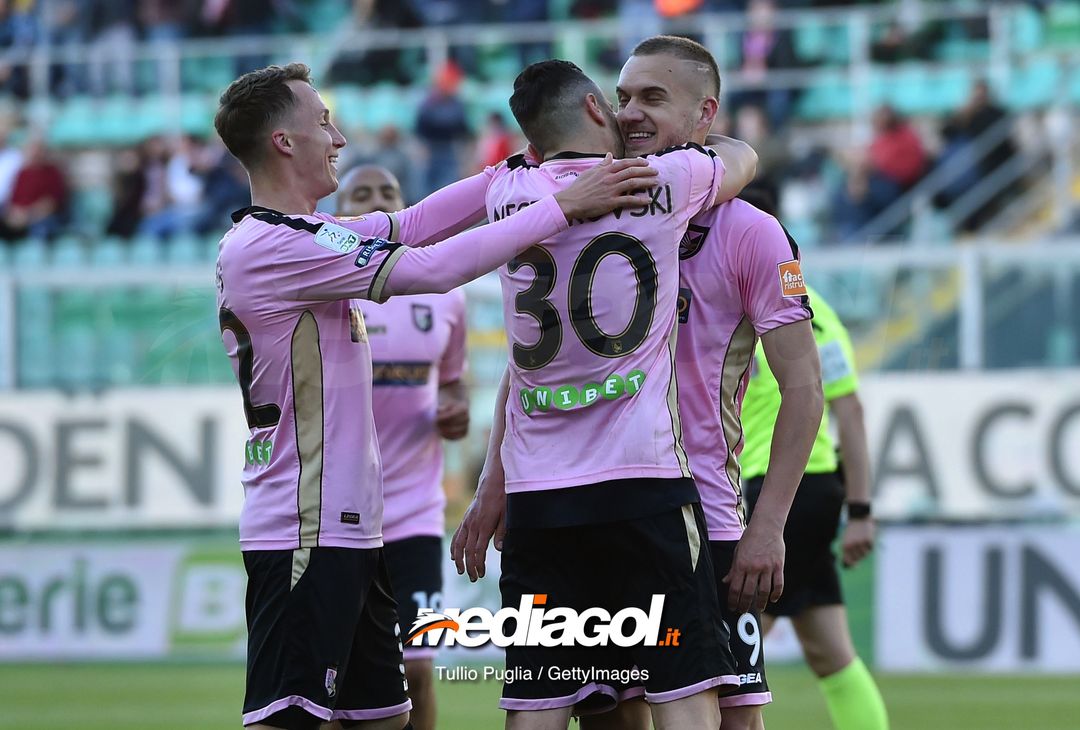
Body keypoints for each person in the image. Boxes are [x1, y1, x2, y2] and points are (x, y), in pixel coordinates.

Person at [213, 62, 657, 730]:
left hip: (354, 525)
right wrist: (560, 204)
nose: (338, 136)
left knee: (386, 717)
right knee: (291, 719)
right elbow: (431, 266)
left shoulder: (303, 232)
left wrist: (519, 171)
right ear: (284, 142)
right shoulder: (268, 245)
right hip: (304, 527)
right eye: (323, 122)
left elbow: (412, 225)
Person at [452, 36, 824, 730]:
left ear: (705, 112)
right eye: (622, 96)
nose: (630, 113)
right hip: (590, 502)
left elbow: (804, 388)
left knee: (734, 718)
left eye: (653, 97)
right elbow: (528, 365)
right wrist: (492, 486)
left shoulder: (752, 233)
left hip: (704, 516)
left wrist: (768, 524)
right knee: (605, 717)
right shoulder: (581, 204)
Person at [336, 164, 470, 730]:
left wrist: (456, 413)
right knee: (337, 674)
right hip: (338, 514)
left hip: (416, 513)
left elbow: (455, 380)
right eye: (360, 195)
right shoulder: (329, 291)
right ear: (340, 215)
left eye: (387, 193)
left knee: (417, 666)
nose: (375, 202)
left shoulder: (443, 296)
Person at [741, 285, 889, 730]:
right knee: (832, 652)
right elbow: (851, 411)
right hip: (820, 488)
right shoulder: (816, 310)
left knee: (729, 652)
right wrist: (860, 510)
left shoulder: (735, 304)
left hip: (771, 489)